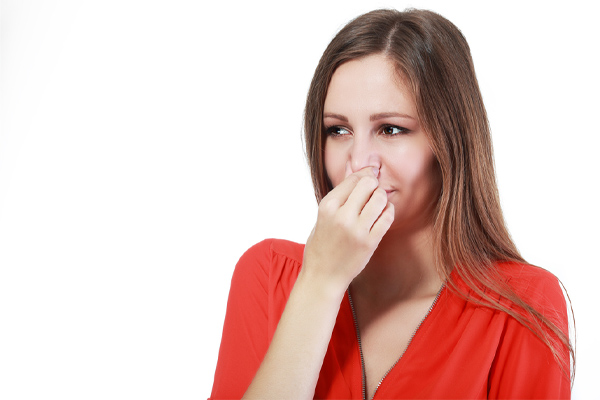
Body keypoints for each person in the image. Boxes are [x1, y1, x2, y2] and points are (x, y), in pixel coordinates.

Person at [210, 8, 573, 400]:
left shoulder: (522, 306)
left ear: (449, 143)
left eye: (391, 129)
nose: (359, 161)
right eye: (339, 130)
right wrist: (320, 283)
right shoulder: (267, 276)